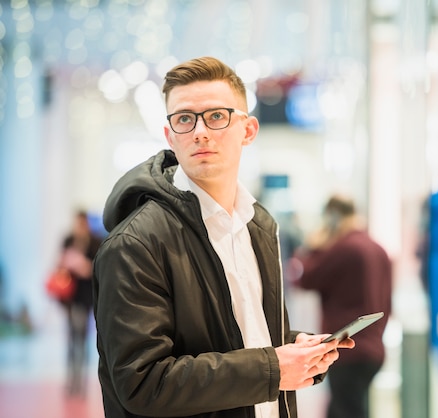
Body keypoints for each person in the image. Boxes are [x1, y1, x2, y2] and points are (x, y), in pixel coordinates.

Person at [92, 56, 354, 418]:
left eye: (216, 116)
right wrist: (273, 367)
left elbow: (240, 335)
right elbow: (142, 383)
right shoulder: (135, 244)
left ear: (247, 130)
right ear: (170, 136)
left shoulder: (259, 226)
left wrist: (294, 348)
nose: (200, 131)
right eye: (185, 118)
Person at [292, 194, 392, 418]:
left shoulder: (344, 248)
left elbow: (305, 277)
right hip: (373, 348)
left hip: (348, 350)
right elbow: (387, 303)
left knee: (344, 410)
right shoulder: (378, 249)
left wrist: (314, 244)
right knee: (348, 409)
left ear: (333, 218)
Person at [59, 209, 102, 396]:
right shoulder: (68, 240)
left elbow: (97, 267)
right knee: (71, 339)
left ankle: (81, 381)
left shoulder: (95, 242)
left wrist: (84, 266)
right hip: (69, 297)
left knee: (82, 338)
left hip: (85, 297)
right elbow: (60, 264)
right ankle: (71, 379)